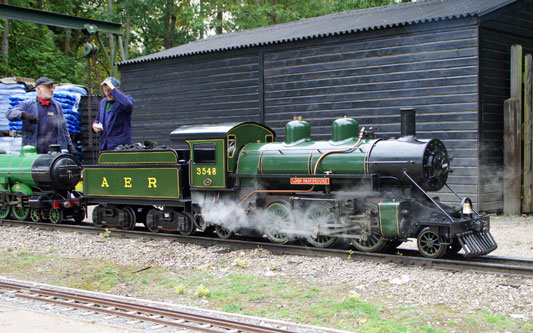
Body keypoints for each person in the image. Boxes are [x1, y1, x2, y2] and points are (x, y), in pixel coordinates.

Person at [6, 77, 75, 154]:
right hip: (34, 151)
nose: (52, 90)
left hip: (54, 151)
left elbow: (63, 127)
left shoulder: (57, 106)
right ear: (38, 89)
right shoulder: (28, 105)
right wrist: (23, 114)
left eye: (52, 87)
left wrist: (70, 146)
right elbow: (10, 114)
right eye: (48, 88)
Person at [92, 77, 134, 151]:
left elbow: (128, 105)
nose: (107, 94)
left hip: (121, 147)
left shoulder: (125, 101)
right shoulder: (103, 102)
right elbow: (98, 119)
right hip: (104, 146)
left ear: (117, 89)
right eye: (105, 90)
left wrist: (112, 87)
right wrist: (94, 126)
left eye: (109, 90)